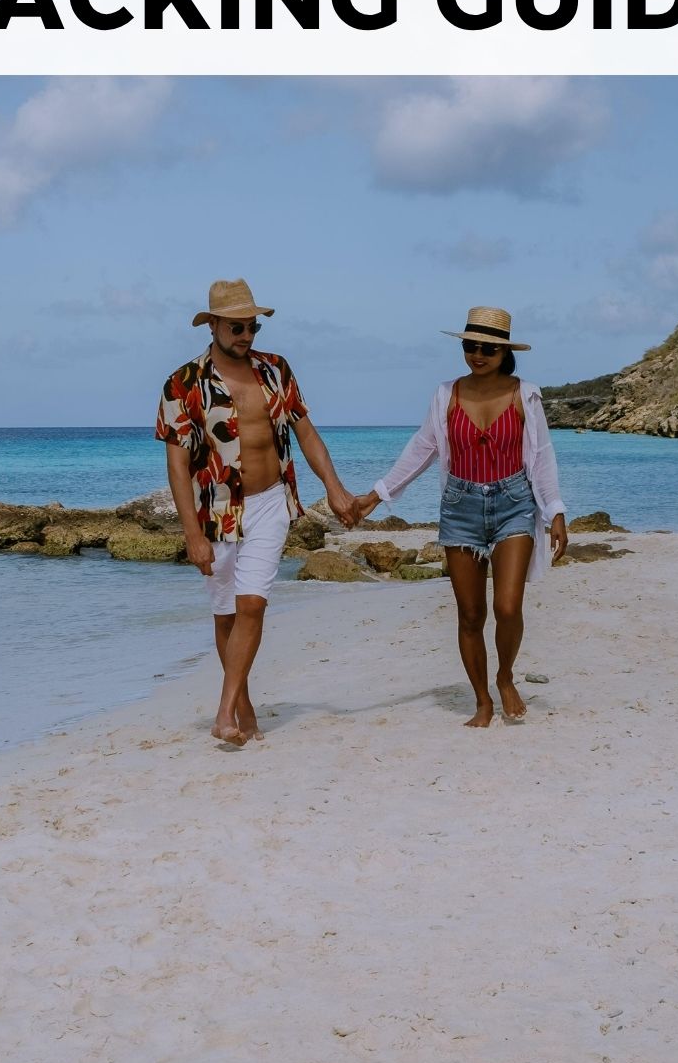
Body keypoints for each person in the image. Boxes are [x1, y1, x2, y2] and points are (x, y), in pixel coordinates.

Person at [156, 279, 358, 746]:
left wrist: (334, 488)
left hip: (271, 502)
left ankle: (223, 711)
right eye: (237, 327)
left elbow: (305, 433)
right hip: (218, 512)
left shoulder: (275, 370)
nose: (246, 335)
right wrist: (192, 535)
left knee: (252, 604)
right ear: (213, 325)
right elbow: (177, 464)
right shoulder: (183, 383)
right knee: (225, 613)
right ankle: (242, 705)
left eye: (251, 327)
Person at [352, 306, 567, 728]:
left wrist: (555, 510)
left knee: (507, 607)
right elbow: (421, 450)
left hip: (515, 504)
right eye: (471, 346)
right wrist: (376, 496)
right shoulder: (444, 394)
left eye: (488, 347)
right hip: (460, 508)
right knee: (470, 615)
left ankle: (505, 677)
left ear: (504, 351)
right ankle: (482, 699)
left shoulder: (526, 394)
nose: (478, 354)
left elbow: (541, 459)